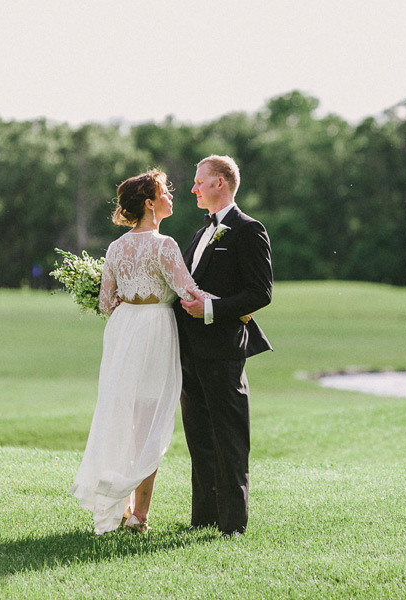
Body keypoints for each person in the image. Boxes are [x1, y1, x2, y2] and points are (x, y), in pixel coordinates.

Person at [70, 168, 208, 534]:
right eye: (166, 191)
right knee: (151, 417)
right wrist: (227, 306)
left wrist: (128, 308)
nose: (172, 196)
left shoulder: (116, 248)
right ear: (150, 203)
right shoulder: (165, 245)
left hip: (123, 329)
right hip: (155, 329)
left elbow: (105, 302)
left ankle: (121, 507)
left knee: (123, 413)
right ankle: (139, 516)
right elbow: (188, 291)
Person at [173, 155, 273, 537]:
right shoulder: (200, 234)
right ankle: (204, 519)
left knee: (229, 438)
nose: (194, 189)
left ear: (220, 182)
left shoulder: (249, 230)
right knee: (199, 436)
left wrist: (210, 309)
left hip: (224, 350)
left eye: (199, 182)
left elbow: (260, 293)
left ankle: (233, 525)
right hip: (190, 352)